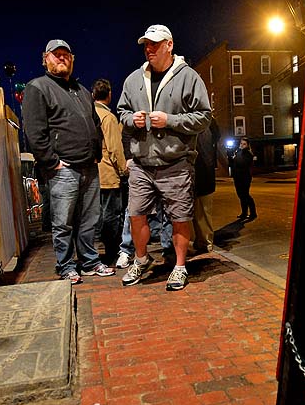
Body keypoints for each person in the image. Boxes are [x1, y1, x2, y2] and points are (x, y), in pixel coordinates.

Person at [117, 24, 211, 291]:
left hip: (176, 162)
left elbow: (204, 116)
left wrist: (170, 120)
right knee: (136, 214)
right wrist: (130, 119)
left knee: (180, 216)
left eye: (155, 44)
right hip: (141, 163)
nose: (149, 49)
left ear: (169, 45)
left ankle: (180, 266)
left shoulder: (189, 77)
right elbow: (121, 110)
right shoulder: (133, 79)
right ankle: (141, 259)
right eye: (146, 44)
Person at [24, 39, 115, 284]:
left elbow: (95, 124)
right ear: (45, 58)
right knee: (63, 222)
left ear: (72, 59)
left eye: (66, 55)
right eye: (56, 55)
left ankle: (89, 262)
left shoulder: (81, 90)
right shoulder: (38, 87)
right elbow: (34, 131)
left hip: (89, 167)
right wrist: (52, 162)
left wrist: (97, 154)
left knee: (88, 221)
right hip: (63, 169)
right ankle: (65, 265)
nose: (62, 58)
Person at [92, 78, 127, 265]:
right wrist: (123, 169)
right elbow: (115, 148)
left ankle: (93, 251)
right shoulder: (109, 118)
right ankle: (112, 251)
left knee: (95, 215)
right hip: (108, 174)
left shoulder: (89, 114)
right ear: (110, 95)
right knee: (112, 215)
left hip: (92, 173)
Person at [192, 117, 220, 253]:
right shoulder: (209, 120)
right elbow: (216, 136)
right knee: (203, 211)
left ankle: (197, 242)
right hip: (205, 172)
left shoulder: (183, 118)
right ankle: (204, 241)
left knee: (191, 211)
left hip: (195, 171)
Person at [230, 137, 256, 221]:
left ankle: (253, 213)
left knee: (245, 195)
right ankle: (244, 213)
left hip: (245, 177)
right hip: (237, 177)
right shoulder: (238, 152)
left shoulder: (248, 154)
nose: (242, 145)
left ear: (248, 145)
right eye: (241, 143)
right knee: (240, 195)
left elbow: (242, 163)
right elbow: (233, 163)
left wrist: (235, 158)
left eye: (244, 144)